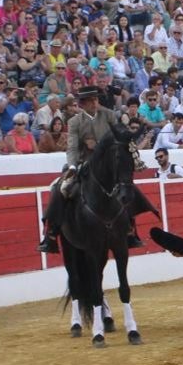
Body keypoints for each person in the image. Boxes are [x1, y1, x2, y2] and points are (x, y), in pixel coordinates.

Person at [38, 87, 154, 253]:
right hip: (84, 164)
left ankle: (130, 230)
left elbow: (120, 137)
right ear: (82, 104)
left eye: (96, 99)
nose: (95, 103)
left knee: (127, 186)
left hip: (108, 165)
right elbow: (72, 148)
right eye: (91, 100)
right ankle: (51, 234)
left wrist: (100, 146)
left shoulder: (109, 115)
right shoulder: (74, 122)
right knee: (60, 187)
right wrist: (72, 165)